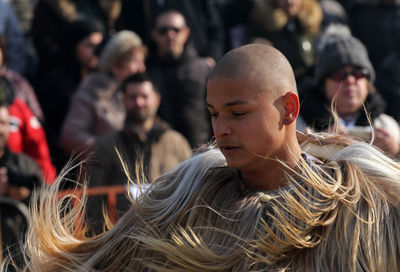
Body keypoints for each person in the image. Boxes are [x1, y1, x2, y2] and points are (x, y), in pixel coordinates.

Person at [8, 44, 400, 271]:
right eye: (213, 114)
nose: (220, 129)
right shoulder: (185, 196)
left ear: (288, 109)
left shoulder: (362, 204)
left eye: (238, 112)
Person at [86, 73, 192, 232]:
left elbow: (193, 191)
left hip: (169, 238)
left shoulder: (176, 142)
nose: (139, 102)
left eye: (144, 96)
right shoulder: (106, 146)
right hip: (122, 239)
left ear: (157, 100)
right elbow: (93, 201)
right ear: (123, 100)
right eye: (133, 97)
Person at [298, 34, 400, 158]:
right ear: (323, 84)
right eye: (338, 75)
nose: (350, 80)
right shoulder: (300, 126)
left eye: (358, 73)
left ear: (368, 83)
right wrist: (318, 147)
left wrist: (395, 153)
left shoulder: (386, 126)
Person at [60, 30, 147, 155]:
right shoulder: (92, 91)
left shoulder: (139, 92)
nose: (141, 68)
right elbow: (71, 136)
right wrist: (109, 153)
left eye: (142, 61)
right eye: (134, 61)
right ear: (115, 64)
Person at [38, 19, 103, 170]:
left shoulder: (103, 81)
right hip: (65, 164)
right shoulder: (54, 82)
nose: (97, 52)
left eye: (100, 46)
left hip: (97, 163)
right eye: (89, 45)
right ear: (73, 47)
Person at [146, 9, 212, 148]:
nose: (170, 35)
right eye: (163, 31)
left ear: (186, 33)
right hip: (160, 153)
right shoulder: (146, 71)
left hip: (201, 153)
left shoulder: (203, 69)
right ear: (154, 34)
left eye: (176, 30)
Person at [0, 101, 42, 266]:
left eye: (3, 123)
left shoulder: (25, 164)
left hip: (22, 257)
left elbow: (46, 196)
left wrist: (27, 196)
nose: (0, 129)